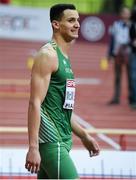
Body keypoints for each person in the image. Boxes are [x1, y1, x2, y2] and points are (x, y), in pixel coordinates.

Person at [25, 3, 100, 179]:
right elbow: (35, 102)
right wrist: (33, 147)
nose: (77, 24)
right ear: (56, 24)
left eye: (78, 20)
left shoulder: (64, 58)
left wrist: (84, 136)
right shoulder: (48, 55)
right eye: (71, 20)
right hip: (52, 141)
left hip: (63, 141)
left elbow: (64, 109)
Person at [107, 6, 131, 105]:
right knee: (117, 76)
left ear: (129, 15)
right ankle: (116, 97)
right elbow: (112, 40)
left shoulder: (133, 25)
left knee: (131, 77)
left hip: (130, 53)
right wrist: (110, 54)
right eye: (123, 13)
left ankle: (132, 98)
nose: (125, 15)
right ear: (121, 14)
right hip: (117, 53)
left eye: (127, 13)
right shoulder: (116, 25)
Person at [129, 6, 136, 109]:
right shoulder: (133, 25)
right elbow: (130, 38)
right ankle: (134, 99)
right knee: (134, 77)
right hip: (134, 53)